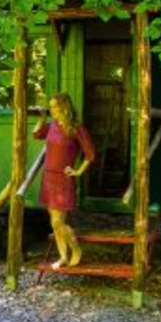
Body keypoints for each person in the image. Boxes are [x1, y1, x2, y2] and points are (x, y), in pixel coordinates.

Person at [33, 93, 96, 268]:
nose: (51, 109)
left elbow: (90, 154)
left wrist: (77, 172)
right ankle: (63, 257)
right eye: (50, 106)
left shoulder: (76, 128)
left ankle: (76, 249)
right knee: (54, 223)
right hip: (48, 178)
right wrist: (41, 118)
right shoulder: (51, 125)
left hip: (63, 180)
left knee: (57, 222)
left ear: (64, 107)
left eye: (54, 106)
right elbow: (37, 134)